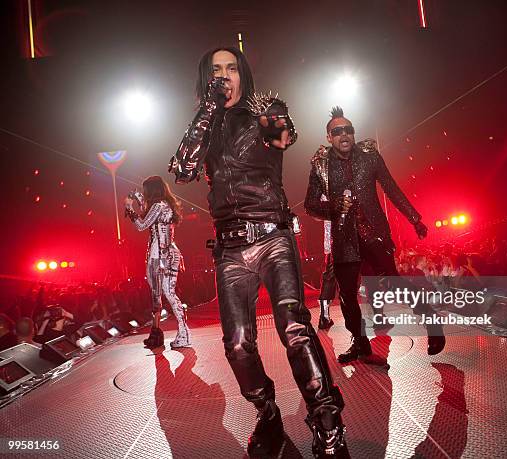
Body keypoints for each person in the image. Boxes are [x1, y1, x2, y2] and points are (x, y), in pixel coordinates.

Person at [168, 47, 347, 458]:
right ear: (205, 79)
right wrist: (208, 108)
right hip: (230, 247)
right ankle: (267, 413)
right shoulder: (205, 125)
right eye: (216, 70)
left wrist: (271, 111)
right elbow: (183, 167)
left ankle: (327, 422)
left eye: (231, 68)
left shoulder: (263, 112)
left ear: (243, 74)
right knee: (237, 345)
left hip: (272, 235)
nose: (224, 76)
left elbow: (285, 137)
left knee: (294, 328)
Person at [305, 106, 445, 364]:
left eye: (348, 129)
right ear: (329, 137)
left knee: (393, 282)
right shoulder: (320, 165)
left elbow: (391, 188)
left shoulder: (370, 157)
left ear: (353, 133)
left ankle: (431, 321)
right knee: (347, 294)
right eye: (337, 131)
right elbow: (310, 205)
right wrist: (333, 206)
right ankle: (360, 343)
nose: (344, 134)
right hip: (344, 238)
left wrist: (415, 219)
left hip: (374, 233)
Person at [125, 176, 191, 350]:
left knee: (159, 295)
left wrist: (128, 208)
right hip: (170, 252)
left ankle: (168, 334)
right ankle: (179, 333)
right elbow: (149, 214)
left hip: (158, 255)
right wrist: (138, 199)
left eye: (145, 191)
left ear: (151, 191)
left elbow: (141, 225)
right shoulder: (165, 206)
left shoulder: (158, 206)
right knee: (168, 294)